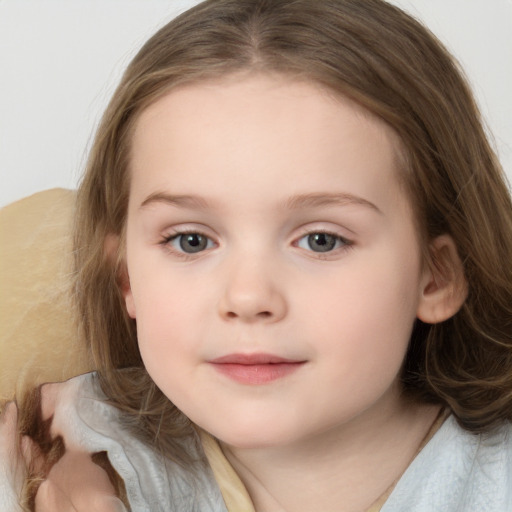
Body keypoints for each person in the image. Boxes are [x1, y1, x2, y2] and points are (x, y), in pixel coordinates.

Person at [1, 0, 512, 510]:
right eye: (191, 240)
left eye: (321, 240)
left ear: (436, 276)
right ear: (126, 278)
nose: (248, 297)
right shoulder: (62, 457)